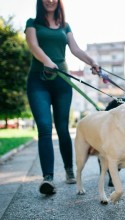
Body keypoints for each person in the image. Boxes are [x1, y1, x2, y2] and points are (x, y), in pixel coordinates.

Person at [25, 0, 100, 195]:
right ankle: (47, 178)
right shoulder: (32, 23)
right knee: (43, 126)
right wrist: (48, 61)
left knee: (62, 128)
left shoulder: (65, 26)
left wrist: (92, 61)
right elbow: (33, 45)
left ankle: (69, 170)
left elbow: (74, 49)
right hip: (38, 80)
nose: (50, 1)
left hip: (62, 82)